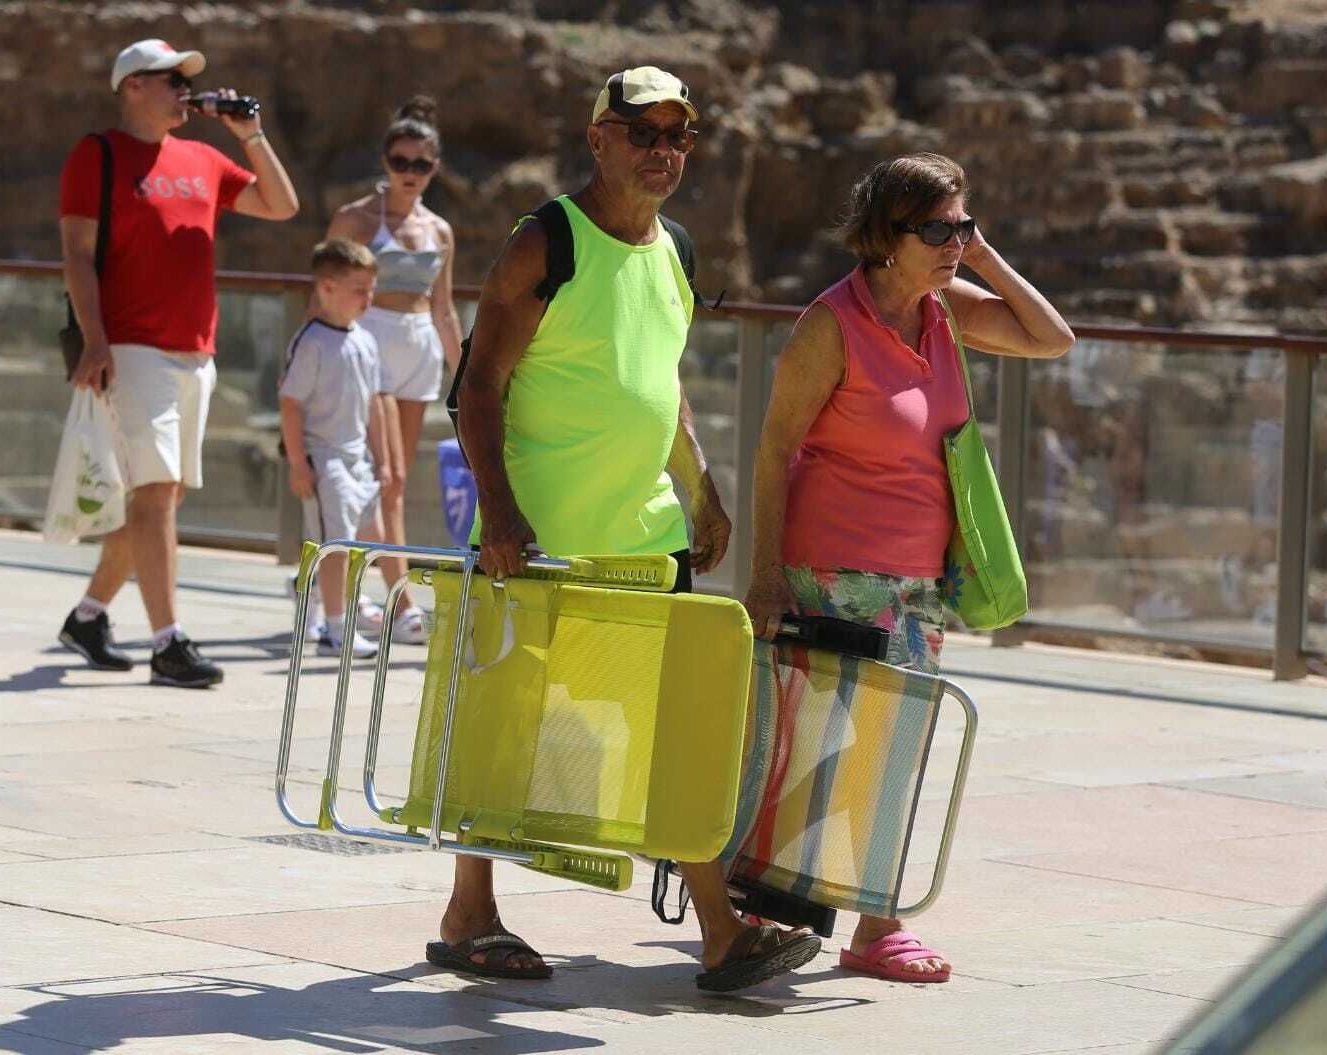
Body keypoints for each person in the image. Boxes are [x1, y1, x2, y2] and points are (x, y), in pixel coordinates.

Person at [444, 66, 821, 992]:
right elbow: (478, 384)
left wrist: (703, 493)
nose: (663, 151)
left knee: (674, 732)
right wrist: (500, 513)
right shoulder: (547, 241)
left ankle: (721, 932)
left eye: (678, 136)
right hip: (542, 542)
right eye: (643, 132)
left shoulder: (676, 249)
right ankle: (469, 913)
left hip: (645, 540)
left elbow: (662, 384)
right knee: (508, 724)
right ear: (599, 139)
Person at [744, 153, 1074, 983]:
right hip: (829, 570)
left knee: (895, 751)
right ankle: (765, 905)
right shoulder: (831, 324)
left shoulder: (946, 312)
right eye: (938, 229)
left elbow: (1052, 338)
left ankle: (873, 925)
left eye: (964, 225)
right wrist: (764, 574)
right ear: (887, 236)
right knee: (813, 744)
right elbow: (775, 450)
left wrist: (983, 255)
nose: (954, 242)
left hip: (915, 581)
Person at [56, 38, 298, 688]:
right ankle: (169, 643)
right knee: (157, 496)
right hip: (131, 348)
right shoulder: (97, 153)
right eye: (171, 79)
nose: (184, 89)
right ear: (133, 85)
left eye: (186, 79)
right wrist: (96, 338)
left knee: (160, 497)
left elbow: (282, 206)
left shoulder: (203, 158)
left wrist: (250, 135)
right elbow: (76, 254)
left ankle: (88, 616)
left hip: (196, 353)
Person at [324, 95, 461, 645]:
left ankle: (359, 588)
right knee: (378, 474)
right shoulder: (356, 218)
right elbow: (325, 292)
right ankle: (396, 600)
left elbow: (444, 308)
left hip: (419, 347)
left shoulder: (439, 230)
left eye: (421, 164)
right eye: (400, 161)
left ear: (435, 167)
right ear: (385, 161)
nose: (410, 172)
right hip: (369, 342)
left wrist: (467, 378)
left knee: (394, 481)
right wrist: (313, 356)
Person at [279, 239, 399, 660]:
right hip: (325, 458)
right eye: (358, 290)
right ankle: (336, 628)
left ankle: (311, 588)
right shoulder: (311, 341)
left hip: (357, 459)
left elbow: (374, 405)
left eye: (371, 289)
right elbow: (290, 403)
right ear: (327, 288)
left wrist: (384, 460)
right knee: (337, 544)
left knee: (371, 537)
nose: (368, 298)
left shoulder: (365, 341)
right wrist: (298, 462)